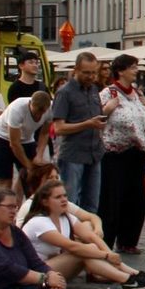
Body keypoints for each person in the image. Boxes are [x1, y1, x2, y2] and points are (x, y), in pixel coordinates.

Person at [21, 178, 145, 289]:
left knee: (90, 247)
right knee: (80, 252)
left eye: (65, 196)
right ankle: (127, 280)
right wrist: (106, 256)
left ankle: (131, 275)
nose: (64, 200)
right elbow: (73, 246)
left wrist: (112, 256)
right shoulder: (39, 222)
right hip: (36, 275)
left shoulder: (66, 217)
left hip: (54, 270)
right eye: (58, 197)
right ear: (45, 202)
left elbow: (91, 237)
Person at [98, 52, 145, 255]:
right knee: (113, 198)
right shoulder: (109, 92)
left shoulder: (137, 94)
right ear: (121, 71)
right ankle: (107, 239)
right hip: (115, 153)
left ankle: (128, 240)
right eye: (132, 67)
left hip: (137, 153)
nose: (136, 71)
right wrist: (108, 109)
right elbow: (99, 116)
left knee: (135, 199)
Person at [50, 52, 105, 215]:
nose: (91, 76)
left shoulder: (94, 89)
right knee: (70, 203)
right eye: (86, 73)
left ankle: (86, 237)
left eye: (94, 72)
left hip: (94, 152)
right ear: (76, 70)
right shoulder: (65, 92)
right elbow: (59, 128)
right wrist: (88, 124)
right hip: (73, 154)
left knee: (92, 204)